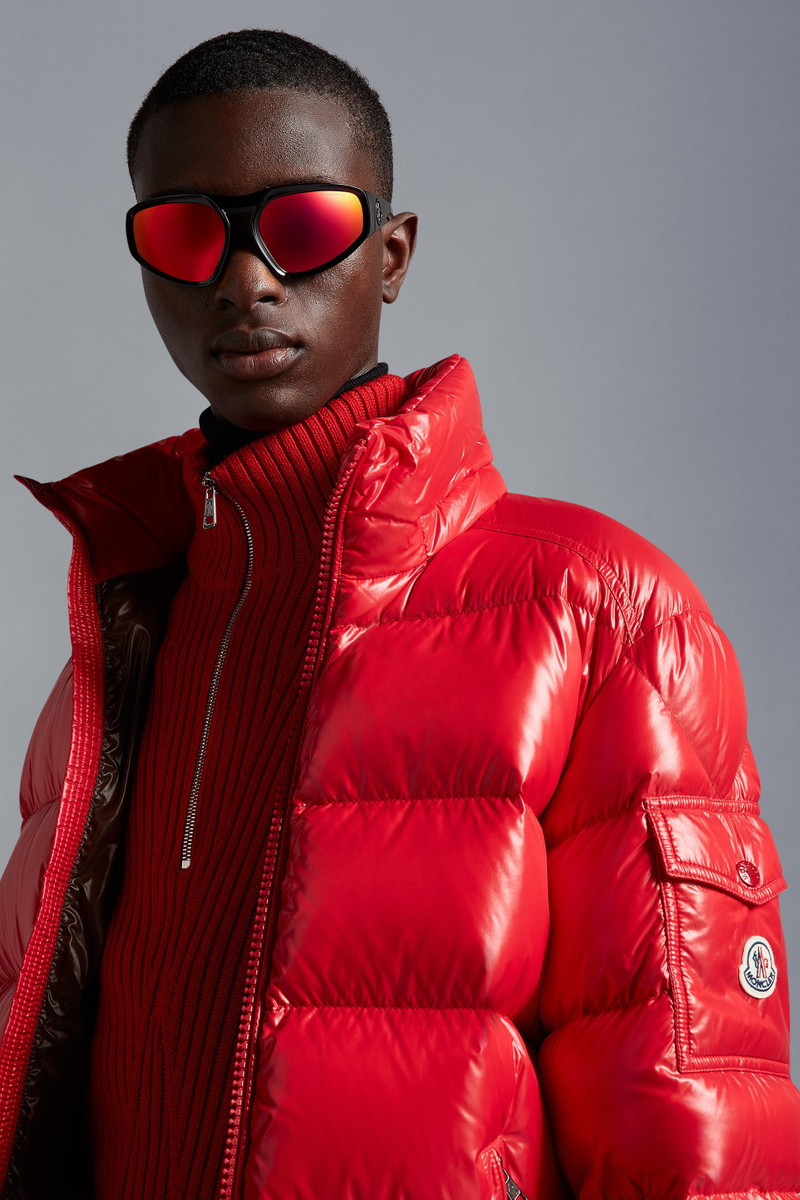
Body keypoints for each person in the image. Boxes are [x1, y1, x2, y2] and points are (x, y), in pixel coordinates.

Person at [0, 26, 798, 1200]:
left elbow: (689, 1120)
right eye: (184, 235)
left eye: (302, 226)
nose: (244, 278)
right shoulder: (115, 651)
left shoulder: (600, 609)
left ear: (391, 254)